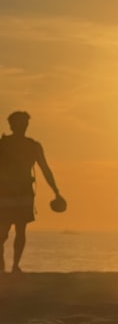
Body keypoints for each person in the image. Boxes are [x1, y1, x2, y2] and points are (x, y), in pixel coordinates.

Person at [0, 111, 63, 272]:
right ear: (11, 125)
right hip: (5, 193)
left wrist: (56, 190)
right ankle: (3, 265)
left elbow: (45, 169)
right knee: (3, 231)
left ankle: (15, 265)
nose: (21, 126)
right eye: (18, 123)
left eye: (24, 123)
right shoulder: (3, 144)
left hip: (23, 193)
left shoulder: (33, 146)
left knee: (20, 229)